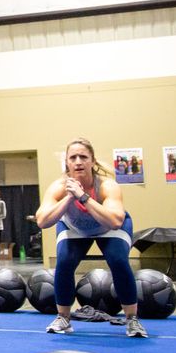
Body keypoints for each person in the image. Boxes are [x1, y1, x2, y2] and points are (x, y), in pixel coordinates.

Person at [34, 137, 146, 338]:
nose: (78, 161)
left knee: (118, 260)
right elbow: (42, 221)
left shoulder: (106, 185)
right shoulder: (59, 186)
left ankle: (132, 320)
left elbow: (114, 221)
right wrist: (69, 197)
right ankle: (63, 319)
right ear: (67, 162)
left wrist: (83, 196)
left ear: (92, 162)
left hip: (108, 226)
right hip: (75, 227)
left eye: (83, 157)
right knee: (65, 261)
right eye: (73, 157)